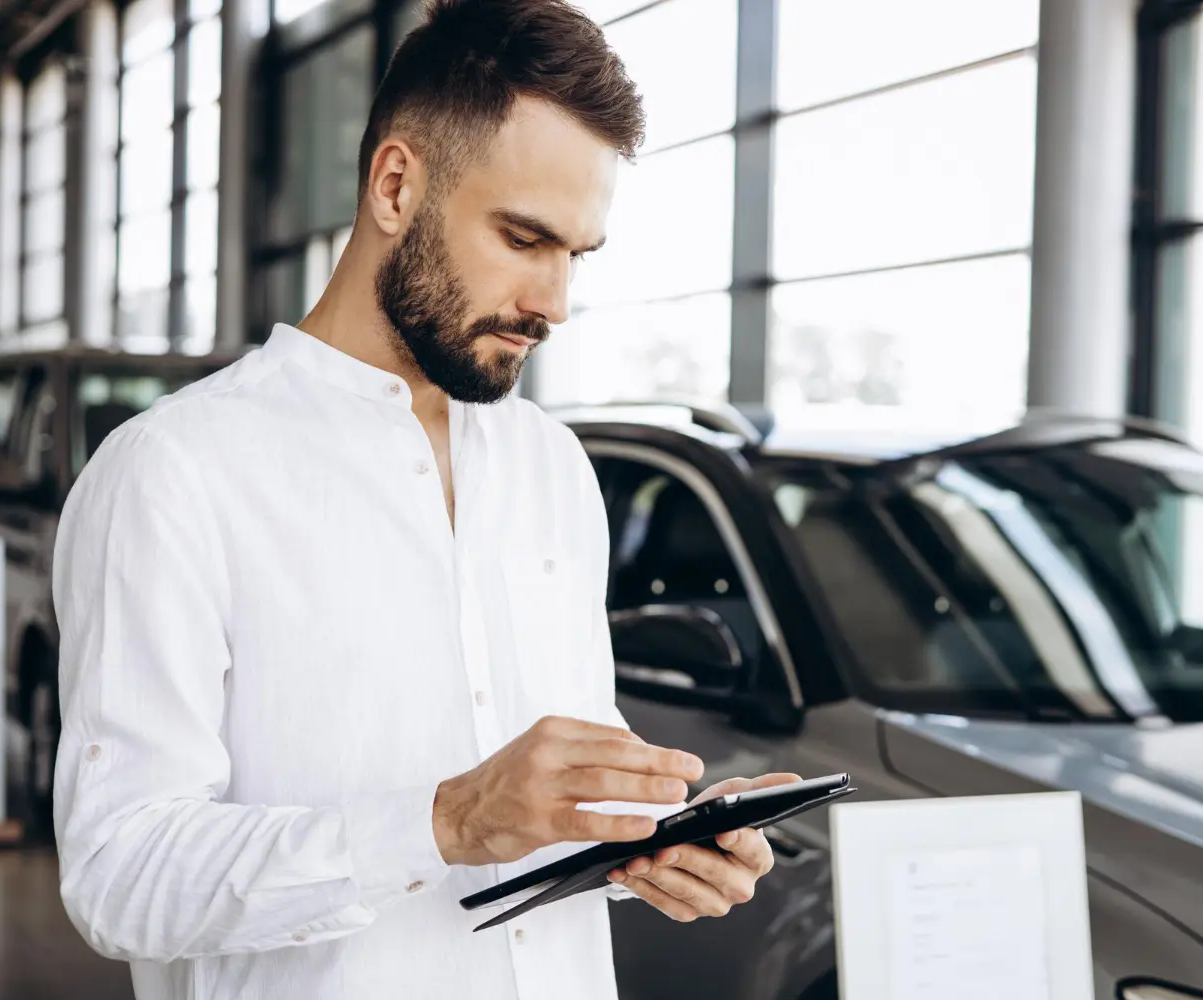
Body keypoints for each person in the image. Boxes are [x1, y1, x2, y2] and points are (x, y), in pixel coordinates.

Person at [50, 2, 797, 997]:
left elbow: (544, 807)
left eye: (576, 253)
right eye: (525, 237)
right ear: (396, 184)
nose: (555, 301)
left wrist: (655, 837)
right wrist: (443, 820)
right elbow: (119, 876)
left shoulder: (553, 469)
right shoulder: (174, 473)